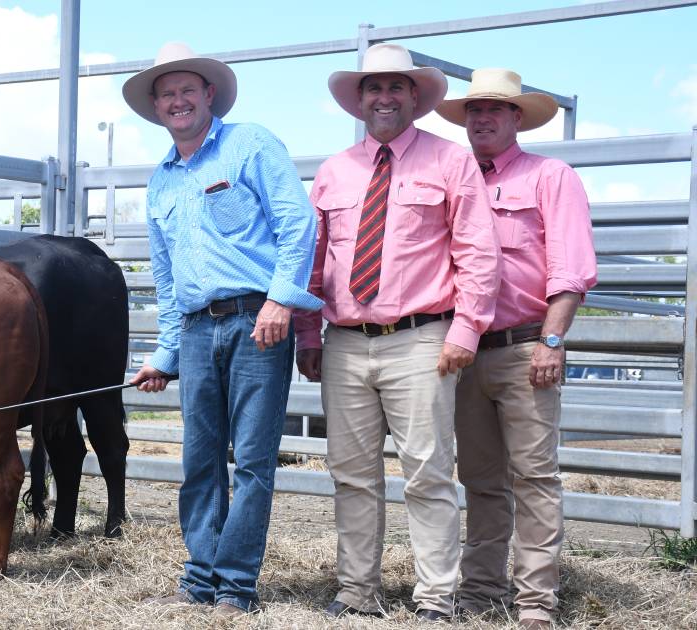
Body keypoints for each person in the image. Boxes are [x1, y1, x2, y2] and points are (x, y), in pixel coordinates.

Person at [292, 43, 501, 621]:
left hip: (421, 339)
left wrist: (465, 329)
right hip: (345, 343)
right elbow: (313, 262)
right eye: (373, 88)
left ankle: (436, 597)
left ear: (415, 97)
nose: (384, 97)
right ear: (359, 101)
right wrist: (309, 335)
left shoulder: (449, 162)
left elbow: (478, 252)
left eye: (395, 88)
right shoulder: (335, 171)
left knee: (427, 474)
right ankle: (357, 591)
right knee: (351, 476)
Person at [124, 41, 322, 616]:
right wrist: (164, 354)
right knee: (199, 458)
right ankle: (201, 574)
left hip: (257, 320)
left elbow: (296, 223)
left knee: (254, 459)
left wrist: (281, 301)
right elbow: (165, 280)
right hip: (194, 328)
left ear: (210, 95)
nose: (178, 101)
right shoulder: (160, 181)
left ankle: (236, 583)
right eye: (167, 94)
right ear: (156, 108)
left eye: (188, 90)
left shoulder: (250, 144)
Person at [436, 68, 597, 630]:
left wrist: (552, 340)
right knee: (479, 478)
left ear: (517, 118)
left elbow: (571, 269)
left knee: (533, 476)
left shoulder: (549, 177)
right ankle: (481, 590)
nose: (481, 119)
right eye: (473, 111)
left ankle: (536, 601)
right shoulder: (454, 179)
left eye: (495, 110)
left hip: (525, 345)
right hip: (461, 349)